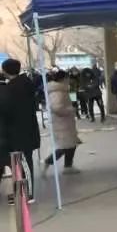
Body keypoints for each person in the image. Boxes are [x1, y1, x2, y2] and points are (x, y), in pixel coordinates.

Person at [0, 60, 42, 202]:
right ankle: (22, 192)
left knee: (24, 164)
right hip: (24, 131)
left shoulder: (13, 88)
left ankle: (28, 193)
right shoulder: (24, 83)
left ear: (6, 71)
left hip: (20, 132)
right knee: (21, 163)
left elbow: (6, 109)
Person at [43, 70, 79, 173]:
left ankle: (68, 166)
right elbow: (56, 108)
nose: (69, 80)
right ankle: (48, 161)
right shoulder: (57, 91)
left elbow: (71, 100)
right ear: (63, 79)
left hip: (66, 122)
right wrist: (70, 110)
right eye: (67, 78)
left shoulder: (64, 89)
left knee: (71, 144)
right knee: (65, 146)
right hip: (61, 123)